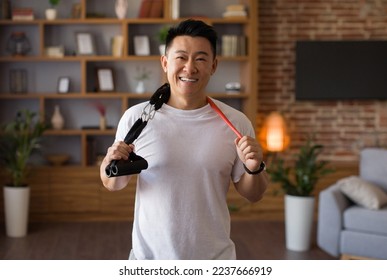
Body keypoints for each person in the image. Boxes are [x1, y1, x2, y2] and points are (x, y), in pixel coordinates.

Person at [100, 19, 269, 260]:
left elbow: (254, 194)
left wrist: (255, 168)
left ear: (213, 66)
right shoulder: (137, 119)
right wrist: (109, 163)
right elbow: (112, 184)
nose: (189, 68)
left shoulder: (236, 123)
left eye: (200, 59)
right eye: (181, 57)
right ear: (165, 62)